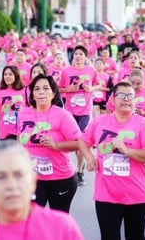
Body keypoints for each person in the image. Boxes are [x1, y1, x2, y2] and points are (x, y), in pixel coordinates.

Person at [0, 141, 84, 240]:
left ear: (33, 181)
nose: (11, 185)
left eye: (19, 175)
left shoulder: (62, 228)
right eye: (1, 177)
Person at [79, 81, 145, 240]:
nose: (126, 99)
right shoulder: (99, 122)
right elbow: (83, 141)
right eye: (121, 95)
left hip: (137, 195)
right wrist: (90, 159)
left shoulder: (144, 125)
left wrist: (127, 150)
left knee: (135, 237)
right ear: (113, 99)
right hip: (106, 195)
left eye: (130, 96)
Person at [17, 74, 81, 213]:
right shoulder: (23, 114)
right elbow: (20, 140)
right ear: (32, 94)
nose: (41, 92)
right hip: (33, 178)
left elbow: (80, 144)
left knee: (58, 224)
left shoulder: (62, 115)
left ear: (53, 93)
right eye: (37, 89)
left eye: (46, 88)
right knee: (33, 221)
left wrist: (56, 145)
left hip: (60, 178)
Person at [59, 45, 99, 186]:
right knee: (75, 143)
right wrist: (68, 89)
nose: (77, 56)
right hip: (70, 112)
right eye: (76, 54)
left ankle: (80, 171)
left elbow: (98, 84)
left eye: (81, 54)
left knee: (81, 140)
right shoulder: (66, 71)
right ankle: (73, 168)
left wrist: (91, 88)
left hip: (85, 112)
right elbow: (58, 88)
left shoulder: (91, 70)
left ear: (85, 57)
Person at [0, 65, 26, 141]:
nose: (7, 76)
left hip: (21, 131)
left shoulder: (24, 90)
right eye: (5, 74)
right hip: (5, 131)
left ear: (16, 75)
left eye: (10, 74)